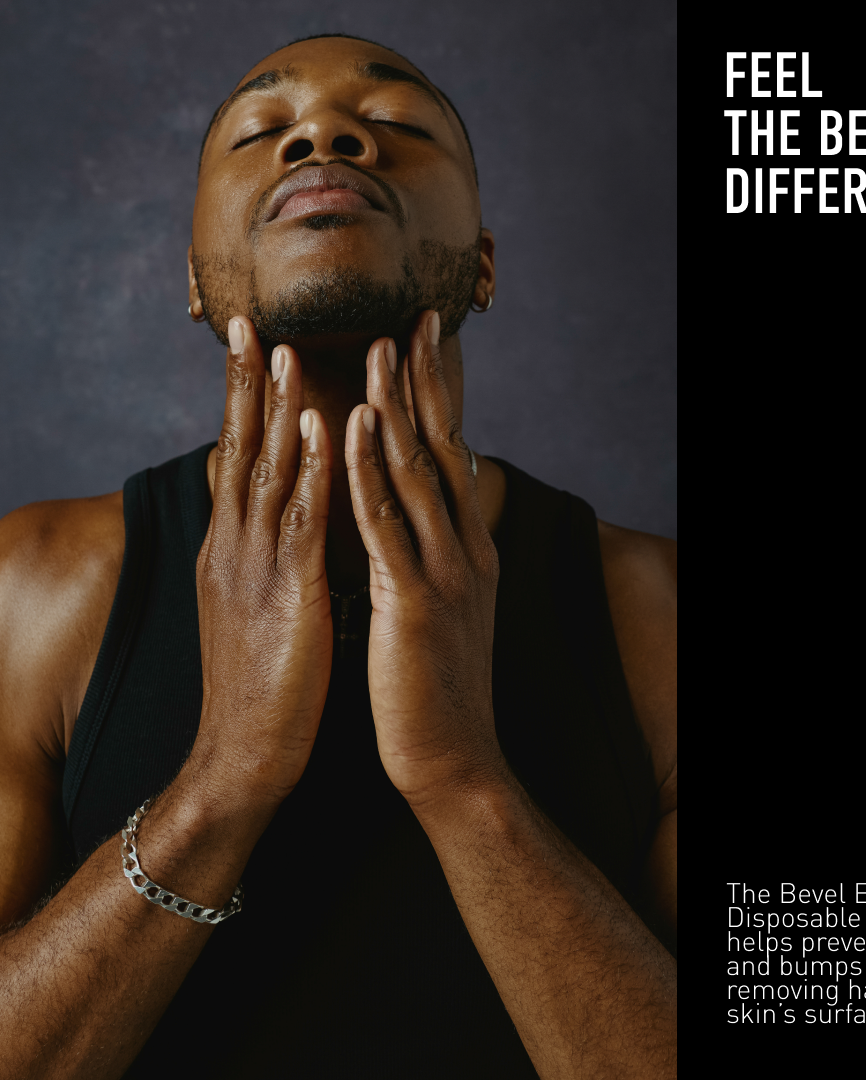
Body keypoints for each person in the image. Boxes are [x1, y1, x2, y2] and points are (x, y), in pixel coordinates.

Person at [0, 33, 676, 1079]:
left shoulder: (655, 613)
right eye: (261, 132)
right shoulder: (35, 586)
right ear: (195, 279)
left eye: (395, 123)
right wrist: (223, 778)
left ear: (483, 265)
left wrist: (461, 777)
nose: (324, 136)